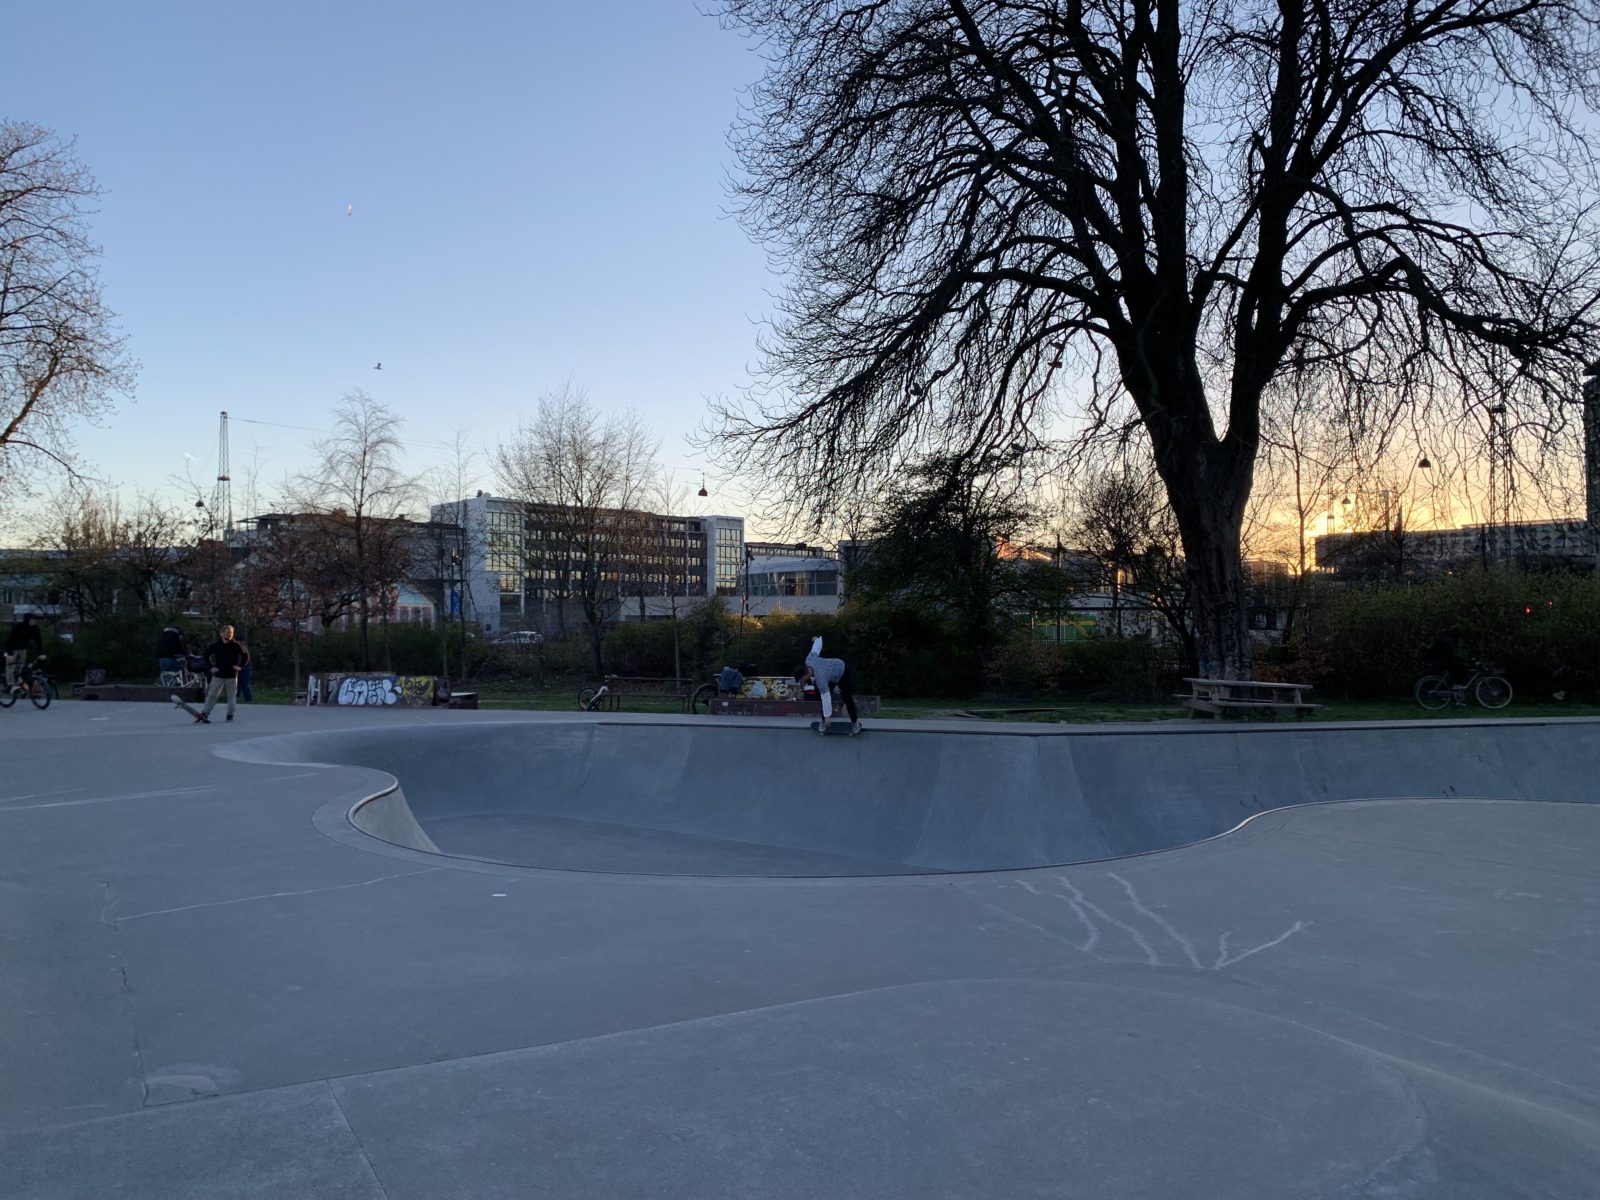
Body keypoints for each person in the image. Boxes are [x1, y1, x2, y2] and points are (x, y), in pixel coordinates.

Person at [795, 635, 859, 732]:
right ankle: (824, 720)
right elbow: (816, 648)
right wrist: (817, 640)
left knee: (846, 697)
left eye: (802, 679)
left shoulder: (820, 678)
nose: (802, 681)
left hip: (843, 671)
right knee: (820, 692)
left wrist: (827, 716)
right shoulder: (809, 660)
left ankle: (855, 722)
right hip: (830, 674)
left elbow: (826, 697)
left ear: (806, 674)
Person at [197, 624, 251, 724]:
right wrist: (211, 667)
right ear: (221, 633)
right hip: (219, 674)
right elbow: (206, 655)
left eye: (231, 633)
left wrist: (240, 666)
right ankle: (205, 713)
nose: (230, 635)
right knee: (212, 695)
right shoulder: (216, 645)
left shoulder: (236, 645)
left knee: (231, 696)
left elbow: (246, 655)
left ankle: (230, 714)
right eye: (228, 632)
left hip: (231, 675)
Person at [5, 613, 45, 691]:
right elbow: (8, 641)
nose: (34, 622)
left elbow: (38, 641)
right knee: (10, 666)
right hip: (12, 648)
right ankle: (10, 685)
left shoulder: (35, 628)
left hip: (23, 649)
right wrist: (10, 654)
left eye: (34, 621)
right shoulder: (19, 627)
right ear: (27, 620)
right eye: (32, 620)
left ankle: (19, 684)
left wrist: (41, 653)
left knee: (21, 667)